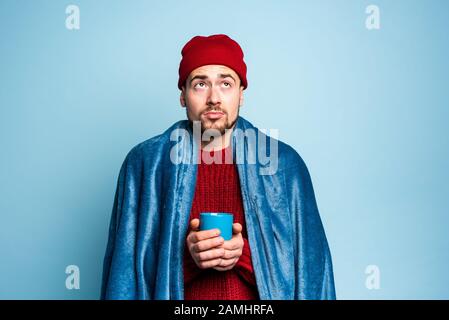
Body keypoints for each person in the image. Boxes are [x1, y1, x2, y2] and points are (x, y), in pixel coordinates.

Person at [101, 34, 336, 300]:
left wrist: (245, 255)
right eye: (200, 84)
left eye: (226, 83)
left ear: (241, 94)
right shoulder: (146, 164)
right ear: (182, 95)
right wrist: (188, 258)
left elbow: (313, 273)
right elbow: (126, 274)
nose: (214, 97)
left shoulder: (284, 165)